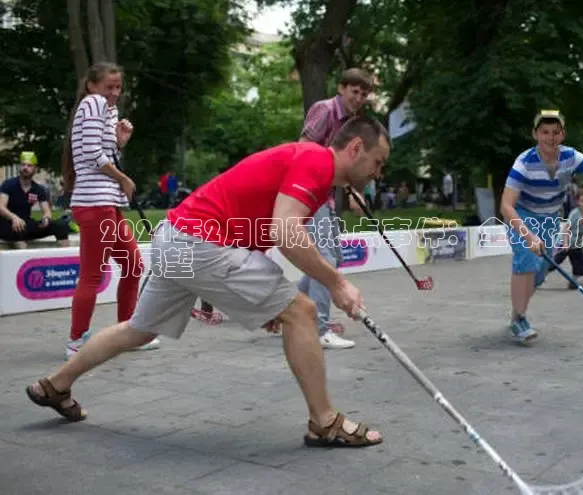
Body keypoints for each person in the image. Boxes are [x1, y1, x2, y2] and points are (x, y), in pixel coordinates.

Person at [24, 115, 389, 448]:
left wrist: (254, 299)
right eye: (378, 162)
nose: (378, 173)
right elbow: (286, 230)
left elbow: (261, 228)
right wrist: (338, 284)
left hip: (177, 237)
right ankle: (325, 421)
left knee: (140, 329)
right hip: (201, 243)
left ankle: (56, 385)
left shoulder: (310, 165)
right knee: (303, 311)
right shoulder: (317, 161)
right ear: (355, 148)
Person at [62, 62, 160, 359]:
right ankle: (76, 340)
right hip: (95, 204)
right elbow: (92, 155)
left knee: (133, 267)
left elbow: (104, 153)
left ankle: (127, 333)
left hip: (107, 204)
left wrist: (119, 142)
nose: (115, 93)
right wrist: (123, 179)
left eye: (118, 87)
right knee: (93, 275)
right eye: (109, 87)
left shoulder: (107, 110)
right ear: (92, 85)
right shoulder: (92, 103)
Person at [501, 110, 583, 345]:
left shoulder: (570, 157)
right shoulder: (524, 163)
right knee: (526, 258)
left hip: (551, 218)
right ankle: (520, 318)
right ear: (535, 134)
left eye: (555, 132)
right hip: (523, 216)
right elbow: (505, 205)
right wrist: (528, 235)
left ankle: (516, 315)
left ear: (562, 135)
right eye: (544, 132)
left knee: (541, 270)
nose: (550, 137)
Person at [294, 67, 374, 350]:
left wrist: (353, 191)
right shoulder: (324, 110)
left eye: (364, 94)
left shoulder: (352, 121)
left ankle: (285, 308)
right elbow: (304, 148)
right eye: (355, 92)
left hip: (325, 195)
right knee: (325, 258)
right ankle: (319, 329)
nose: (359, 98)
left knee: (333, 257)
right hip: (308, 193)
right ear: (341, 88)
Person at [0, 152, 72, 248]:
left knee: (61, 226)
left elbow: (47, 212)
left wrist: (46, 218)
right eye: (23, 165)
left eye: (29, 165)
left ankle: (66, 258)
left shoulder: (38, 189)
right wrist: (14, 218)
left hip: (26, 223)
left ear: (35, 169)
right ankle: (24, 257)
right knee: (19, 229)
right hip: (8, 224)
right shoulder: (8, 184)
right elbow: (1, 207)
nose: (25, 168)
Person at [549, 187, 583, 289]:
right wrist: (565, 243)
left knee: (581, 264)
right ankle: (536, 278)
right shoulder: (575, 213)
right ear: (578, 201)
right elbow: (566, 229)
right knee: (553, 263)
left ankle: (573, 282)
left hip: (576, 244)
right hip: (564, 242)